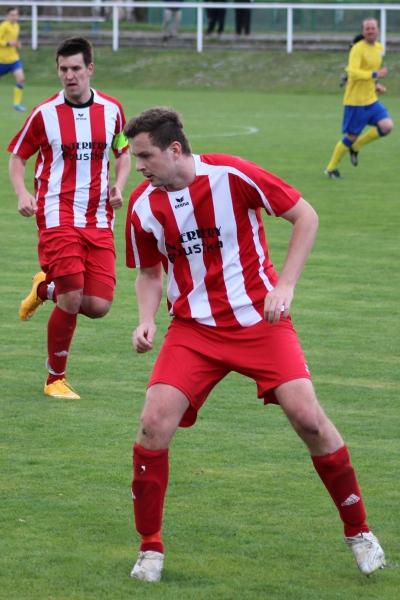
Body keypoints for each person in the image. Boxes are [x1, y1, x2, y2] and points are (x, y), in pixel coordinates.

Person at [123, 107, 386, 582]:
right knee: (152, 425)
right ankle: (150, 550)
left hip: (260, 323)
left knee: (309, 419)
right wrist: (146, 319)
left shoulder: (232, 174)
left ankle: (360, 532)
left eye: (145, 156)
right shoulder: (143, 205)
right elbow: (148, 273)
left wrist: (285, 285)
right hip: (193, 332)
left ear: (175, 149)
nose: (137, 166)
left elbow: (305, 215)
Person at [8, 37, 131, 400]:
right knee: (72, 298)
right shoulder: (44, 114)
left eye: (76, 68)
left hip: (98, 217)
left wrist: (119, 186)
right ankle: (54, 379)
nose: (69, 75)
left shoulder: (112, 110)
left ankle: (43, 288)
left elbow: (122, 152)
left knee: (98, 306)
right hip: (56, 213)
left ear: (90, 69)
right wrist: (22, 193)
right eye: (63, 69)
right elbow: (18, 157)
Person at [325, 18, 393, 179]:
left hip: (371, 99)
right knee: (351, 136)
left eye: (373, 28)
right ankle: (331, 168)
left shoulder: (379, 48)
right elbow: (353, 72)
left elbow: (370, 70)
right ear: (363, 32)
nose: (370, 31)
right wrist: (375, 74)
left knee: (387, 126)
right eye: (367, 28)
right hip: (355, 101)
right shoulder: (357, 49)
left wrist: (376, 84)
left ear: (378, 30)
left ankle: (356, 146)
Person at [0, 6, 26, 111]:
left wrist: (16, 44)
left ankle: (16, 104)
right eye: (12, 15)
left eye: (15, 15)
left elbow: (13, 41)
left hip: (14, 59)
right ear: (8, 15)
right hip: (2, 60)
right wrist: (8, 43)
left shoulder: (17, 26)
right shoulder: (4, 26)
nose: (14, 17)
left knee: (21, 79)